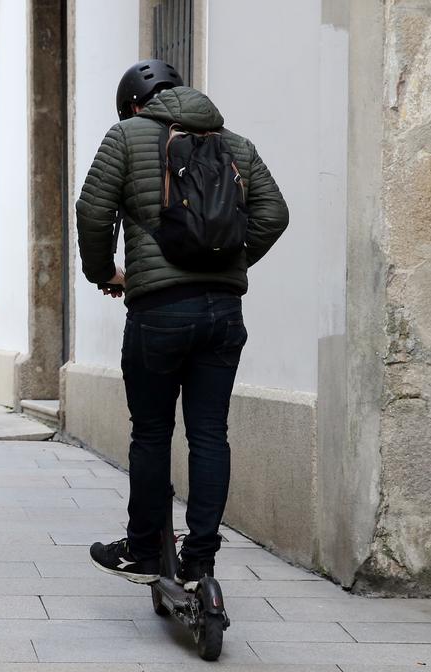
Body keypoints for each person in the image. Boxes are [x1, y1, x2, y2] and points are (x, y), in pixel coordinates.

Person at [78, 60, 289, 588]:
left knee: (151, 432)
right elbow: (275, 214)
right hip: (223, 312)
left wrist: (106, 273)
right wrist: (232, 263)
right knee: (210, 434)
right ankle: (200, 557)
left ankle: (146, 549)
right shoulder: (236, 144)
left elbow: (92, 212)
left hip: (159, 311)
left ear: (133, 105)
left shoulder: (125, 136)